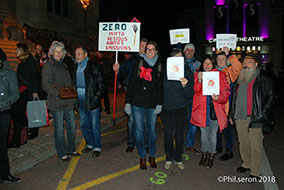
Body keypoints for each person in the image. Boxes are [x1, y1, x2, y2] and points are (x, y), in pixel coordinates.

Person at [117, 41, 164, 170]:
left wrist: (160, 103)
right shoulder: (139, 62)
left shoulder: (160, 66)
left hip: (152, 103)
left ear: (156, 51)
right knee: (138, 131)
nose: (149, 51)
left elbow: (161, 87)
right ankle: (142, 156)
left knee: (152, 131)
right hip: (137, 102)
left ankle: (152, 155)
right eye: (148, 49)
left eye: (152, 49)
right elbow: (131, 83)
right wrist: (128, 102)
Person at [230, 54, 274, 181]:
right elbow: (235, 98)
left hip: (255, 116)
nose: (245, 64)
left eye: (249, 62)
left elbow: (270, 97)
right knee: (242, 141)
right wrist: (232, 114)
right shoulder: (240, 78)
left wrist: (261, 113)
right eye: (244, 62)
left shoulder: (263, 79)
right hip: (240, 115)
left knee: (255, 144)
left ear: (256, 65)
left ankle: (255, 171)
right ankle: (246, 163)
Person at [42, 41, 80, 162]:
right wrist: (59, 93)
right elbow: (46, 85)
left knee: (71, 127)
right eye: (56, 51)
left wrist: (72, 95)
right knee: (59, 129)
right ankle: (62, 152)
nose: (59, 53)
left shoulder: (63, 65)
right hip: (57, 102)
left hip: (68, 101)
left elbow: (68, 82)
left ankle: (70, 149)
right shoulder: (48, 66)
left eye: (61, 51)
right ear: (52, 52)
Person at [191, 55, 230, 168]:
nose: (207, 65)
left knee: (213, 135)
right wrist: (199, 80)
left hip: (215, 110)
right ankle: (204, 155)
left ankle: (211, 156)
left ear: (213, 64)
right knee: (203, 135)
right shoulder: (198, 75)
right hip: (201, 110)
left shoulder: (220, 75)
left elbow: (226, 91)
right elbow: (195, 90)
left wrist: (219, 98)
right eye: (205, 63)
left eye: (209, 63)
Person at [113, 38, 149, 153]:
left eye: (145, 46)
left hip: (146, 95)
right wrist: (118, 71)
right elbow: (123, 71)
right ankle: (131, 143)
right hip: (133, 95)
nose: (143, 48)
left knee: (144, 121)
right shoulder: (132, 60)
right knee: (131, 121)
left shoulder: (151, 60)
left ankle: (144, 143)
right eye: (141, 46)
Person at [162, 48, 194, 170]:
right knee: (168, 133)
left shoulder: (187, 72)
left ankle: (178, 157)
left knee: (179, 134)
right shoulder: (165, 71)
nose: (177, 60)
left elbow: (190, 94)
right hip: (167, 107)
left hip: (181, 107)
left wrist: (185, 85)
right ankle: (169, 157)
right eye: (175, 57)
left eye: (180, 58)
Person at [74, 46, 104, 157]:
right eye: (76, 54)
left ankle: (97, 147)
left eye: (79, 54)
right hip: (81, 103)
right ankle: (90, 144)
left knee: (94, 126)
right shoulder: (75, 67)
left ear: (85, 55)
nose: (77, 56)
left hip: (92, 103)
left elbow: (101, 86)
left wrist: (95, 100)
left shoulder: (94, 66)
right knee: (83, 125)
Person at [215, 47, 242, 161]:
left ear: (227, 61)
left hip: (227, 105)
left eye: (223, 59)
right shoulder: (214, 71)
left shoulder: (230, 71)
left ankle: (229, 150)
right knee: (217, 128)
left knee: (227, 129)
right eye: (219, 59)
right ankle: (218, 147)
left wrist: (230, 55)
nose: (220, 61)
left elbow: (239, 67)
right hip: (216, 104)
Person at [0, 48, 21, 183]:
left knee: (1, 145)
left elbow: (15, 94)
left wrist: (2, 104)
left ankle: (5, 174)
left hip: (4, 113)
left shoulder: (9, 74)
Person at [15, 43, 40, 140]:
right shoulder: (23, 61)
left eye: (17, 49)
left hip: (30, 91)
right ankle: (29, 128)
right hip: (24, 90)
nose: (15, 51)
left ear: (22, 50)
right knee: (26, 111)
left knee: (32, 111)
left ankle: (34, 131)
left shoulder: (30, 61)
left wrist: (35, 91)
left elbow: (34, 77)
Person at [183, 43, 202, 154]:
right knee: (180, 123)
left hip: (194, 98)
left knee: (193, 123)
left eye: (191, 50)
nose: (189, 52)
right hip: (182, 98)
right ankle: (180, 143)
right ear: (184, 51)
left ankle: (189, 144)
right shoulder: (178, 63)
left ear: (194, 52)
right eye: (187, 50)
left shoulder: (199, 64)